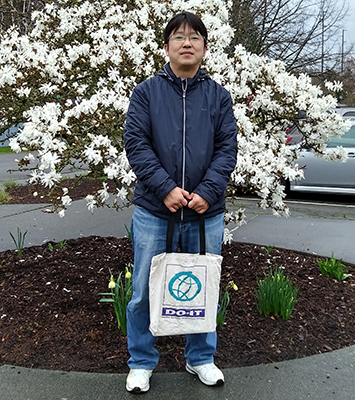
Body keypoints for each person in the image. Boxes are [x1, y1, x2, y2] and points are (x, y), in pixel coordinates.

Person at [123, 11, 238, 393]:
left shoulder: (219, 97)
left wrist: (207, 191)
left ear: (204, 48)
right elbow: (136, 145)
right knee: (144, 289)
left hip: (206, 213)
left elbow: (227, 149)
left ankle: (201, 357)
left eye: (194, 37)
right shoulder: (145, 93)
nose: (186, 43)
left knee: (204, 285)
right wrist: (165, 188)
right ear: (167, 46)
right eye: (178, 37)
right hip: (156, 211)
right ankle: (141, 361)